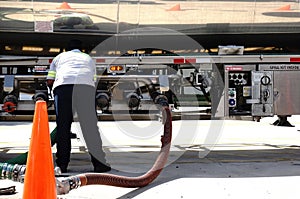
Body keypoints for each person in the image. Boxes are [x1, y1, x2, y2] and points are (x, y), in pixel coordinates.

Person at [46, 39, 111, 173]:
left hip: (63, 89)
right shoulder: (88, 58)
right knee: (90, 128)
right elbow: (92, 79)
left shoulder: (59, 57)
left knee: (63, 127)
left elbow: (50, 79)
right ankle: (99, 164)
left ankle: (62, 165)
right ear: (81, 49)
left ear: (66, 49)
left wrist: (53, 90)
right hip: (85, 89)